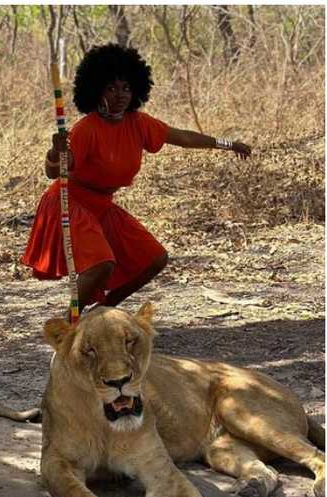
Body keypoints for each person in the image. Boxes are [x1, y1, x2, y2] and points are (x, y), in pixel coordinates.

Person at [21, 44, 252, 312]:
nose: (120, 95)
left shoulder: (139, 123)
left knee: (154, 259)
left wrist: (228, 143)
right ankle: (69, 322)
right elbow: (56, 171)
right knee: (101, 264)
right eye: (111, 88)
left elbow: (183, 137)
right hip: (72, 202)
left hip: (103, 206)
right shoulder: (86, 129)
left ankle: (102, 310)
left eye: (126, 88)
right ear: (96, 89)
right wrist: (54, 151)